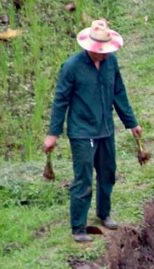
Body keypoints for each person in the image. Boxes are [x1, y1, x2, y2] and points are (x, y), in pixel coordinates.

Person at [45, 19, 143, 243]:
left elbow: (119, 93)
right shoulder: (71, 67)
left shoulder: (111, 63)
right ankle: (78, 227)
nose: (104, 55)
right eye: (100, 52)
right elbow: (61, 101)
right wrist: (53, 133)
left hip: (105, 128)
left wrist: (132, 123)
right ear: (89, 47)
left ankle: (104, 213)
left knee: (108, 172)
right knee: (84, 179)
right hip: (82, 131)